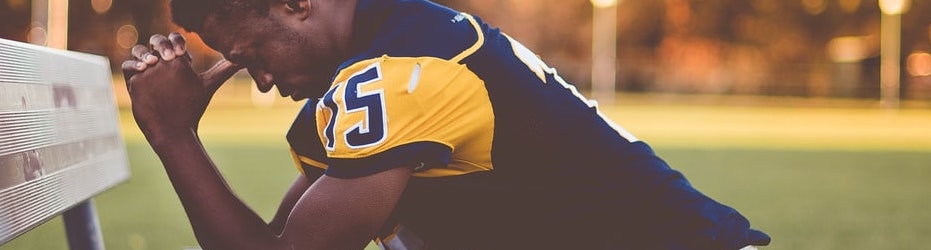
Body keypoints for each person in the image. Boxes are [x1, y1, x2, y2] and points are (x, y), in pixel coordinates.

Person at [122, 0, 771, 249]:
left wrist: (175, 138)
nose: (261, 80)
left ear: (294, 3)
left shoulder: (399, 72)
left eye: (250, 55)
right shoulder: (395, 41)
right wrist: (175, 137)